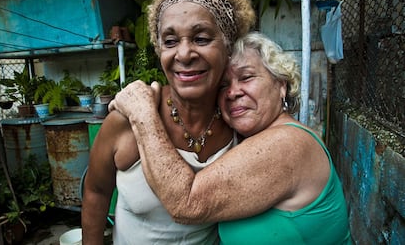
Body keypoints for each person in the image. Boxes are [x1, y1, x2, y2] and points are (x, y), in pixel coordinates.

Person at [110, 31, 352, 244]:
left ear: (281, 85)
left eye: (246, 77)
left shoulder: (289, 143)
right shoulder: (245, 140)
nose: (233, 92)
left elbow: (187, 203)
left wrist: (142, 113)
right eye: (223, 85)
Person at [81, 0, 256, 244]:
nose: (184, 54)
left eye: (201, 38)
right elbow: (96, 191)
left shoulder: (242, 123)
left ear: (228, 47)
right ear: (159, 49)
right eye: (171, 41)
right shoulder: (127, 119)